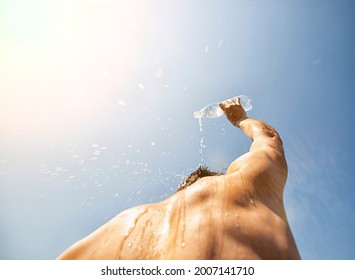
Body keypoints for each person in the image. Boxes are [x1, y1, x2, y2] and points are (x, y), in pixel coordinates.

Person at [57, 98, 300, 260]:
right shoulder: (246, 183)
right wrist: (239, 118)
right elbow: (269, 139)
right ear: (218, 176)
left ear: (178, 191)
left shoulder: (123, 225)